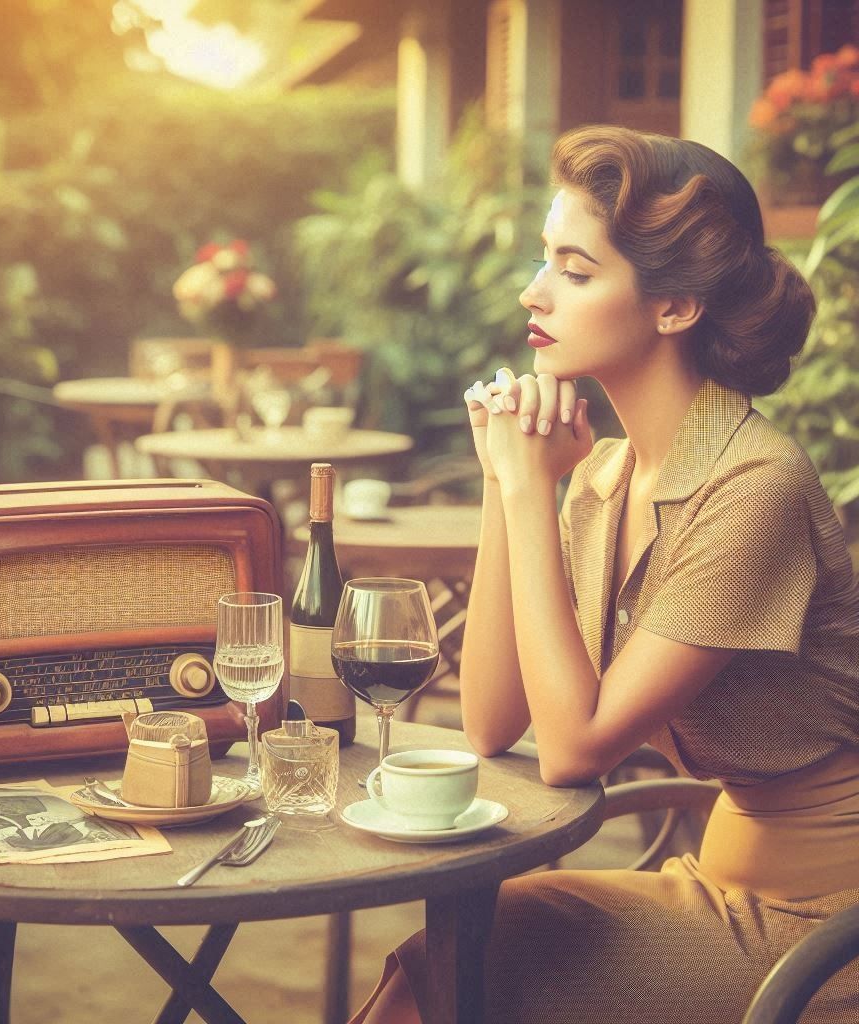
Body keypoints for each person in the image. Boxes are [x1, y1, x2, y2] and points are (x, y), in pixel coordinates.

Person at [350, 125, 859, 1024]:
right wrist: (516, 485)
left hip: (826, 923)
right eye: (546, 261)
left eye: (574, 271)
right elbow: (492, 720)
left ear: (674, 308)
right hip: (718, 875)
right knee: (448, 952)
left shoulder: (756, 487)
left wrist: (519, 484)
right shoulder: (606, 475)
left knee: (465, 958)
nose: (532, 290)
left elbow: (574, 748)